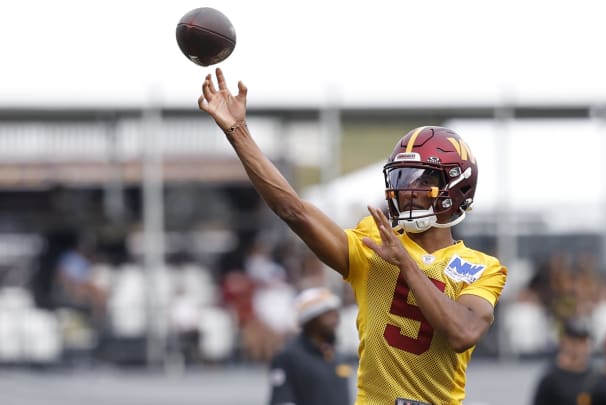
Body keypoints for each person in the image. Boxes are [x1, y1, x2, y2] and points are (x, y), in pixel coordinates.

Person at [198, 68, 508, 405]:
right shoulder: (374, 238)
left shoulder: (482, 267)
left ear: (455, 187)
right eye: (402, 177)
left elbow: (463, 333)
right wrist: (238, 132)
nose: (407, 190)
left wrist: (406, 263)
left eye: (420, 179)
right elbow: (294, 211)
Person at [268, 287, 352, 405]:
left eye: (335, 313)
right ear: (311, 320)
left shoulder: (339, 357)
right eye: (328, 314)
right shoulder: (288, 357)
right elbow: (282, 400)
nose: (335, 320)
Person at [531, 319, 596, 405]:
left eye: (583, 342)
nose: (580, 348)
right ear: (563, 341)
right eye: (575, 341)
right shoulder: (551, 378)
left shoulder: (595, 376)